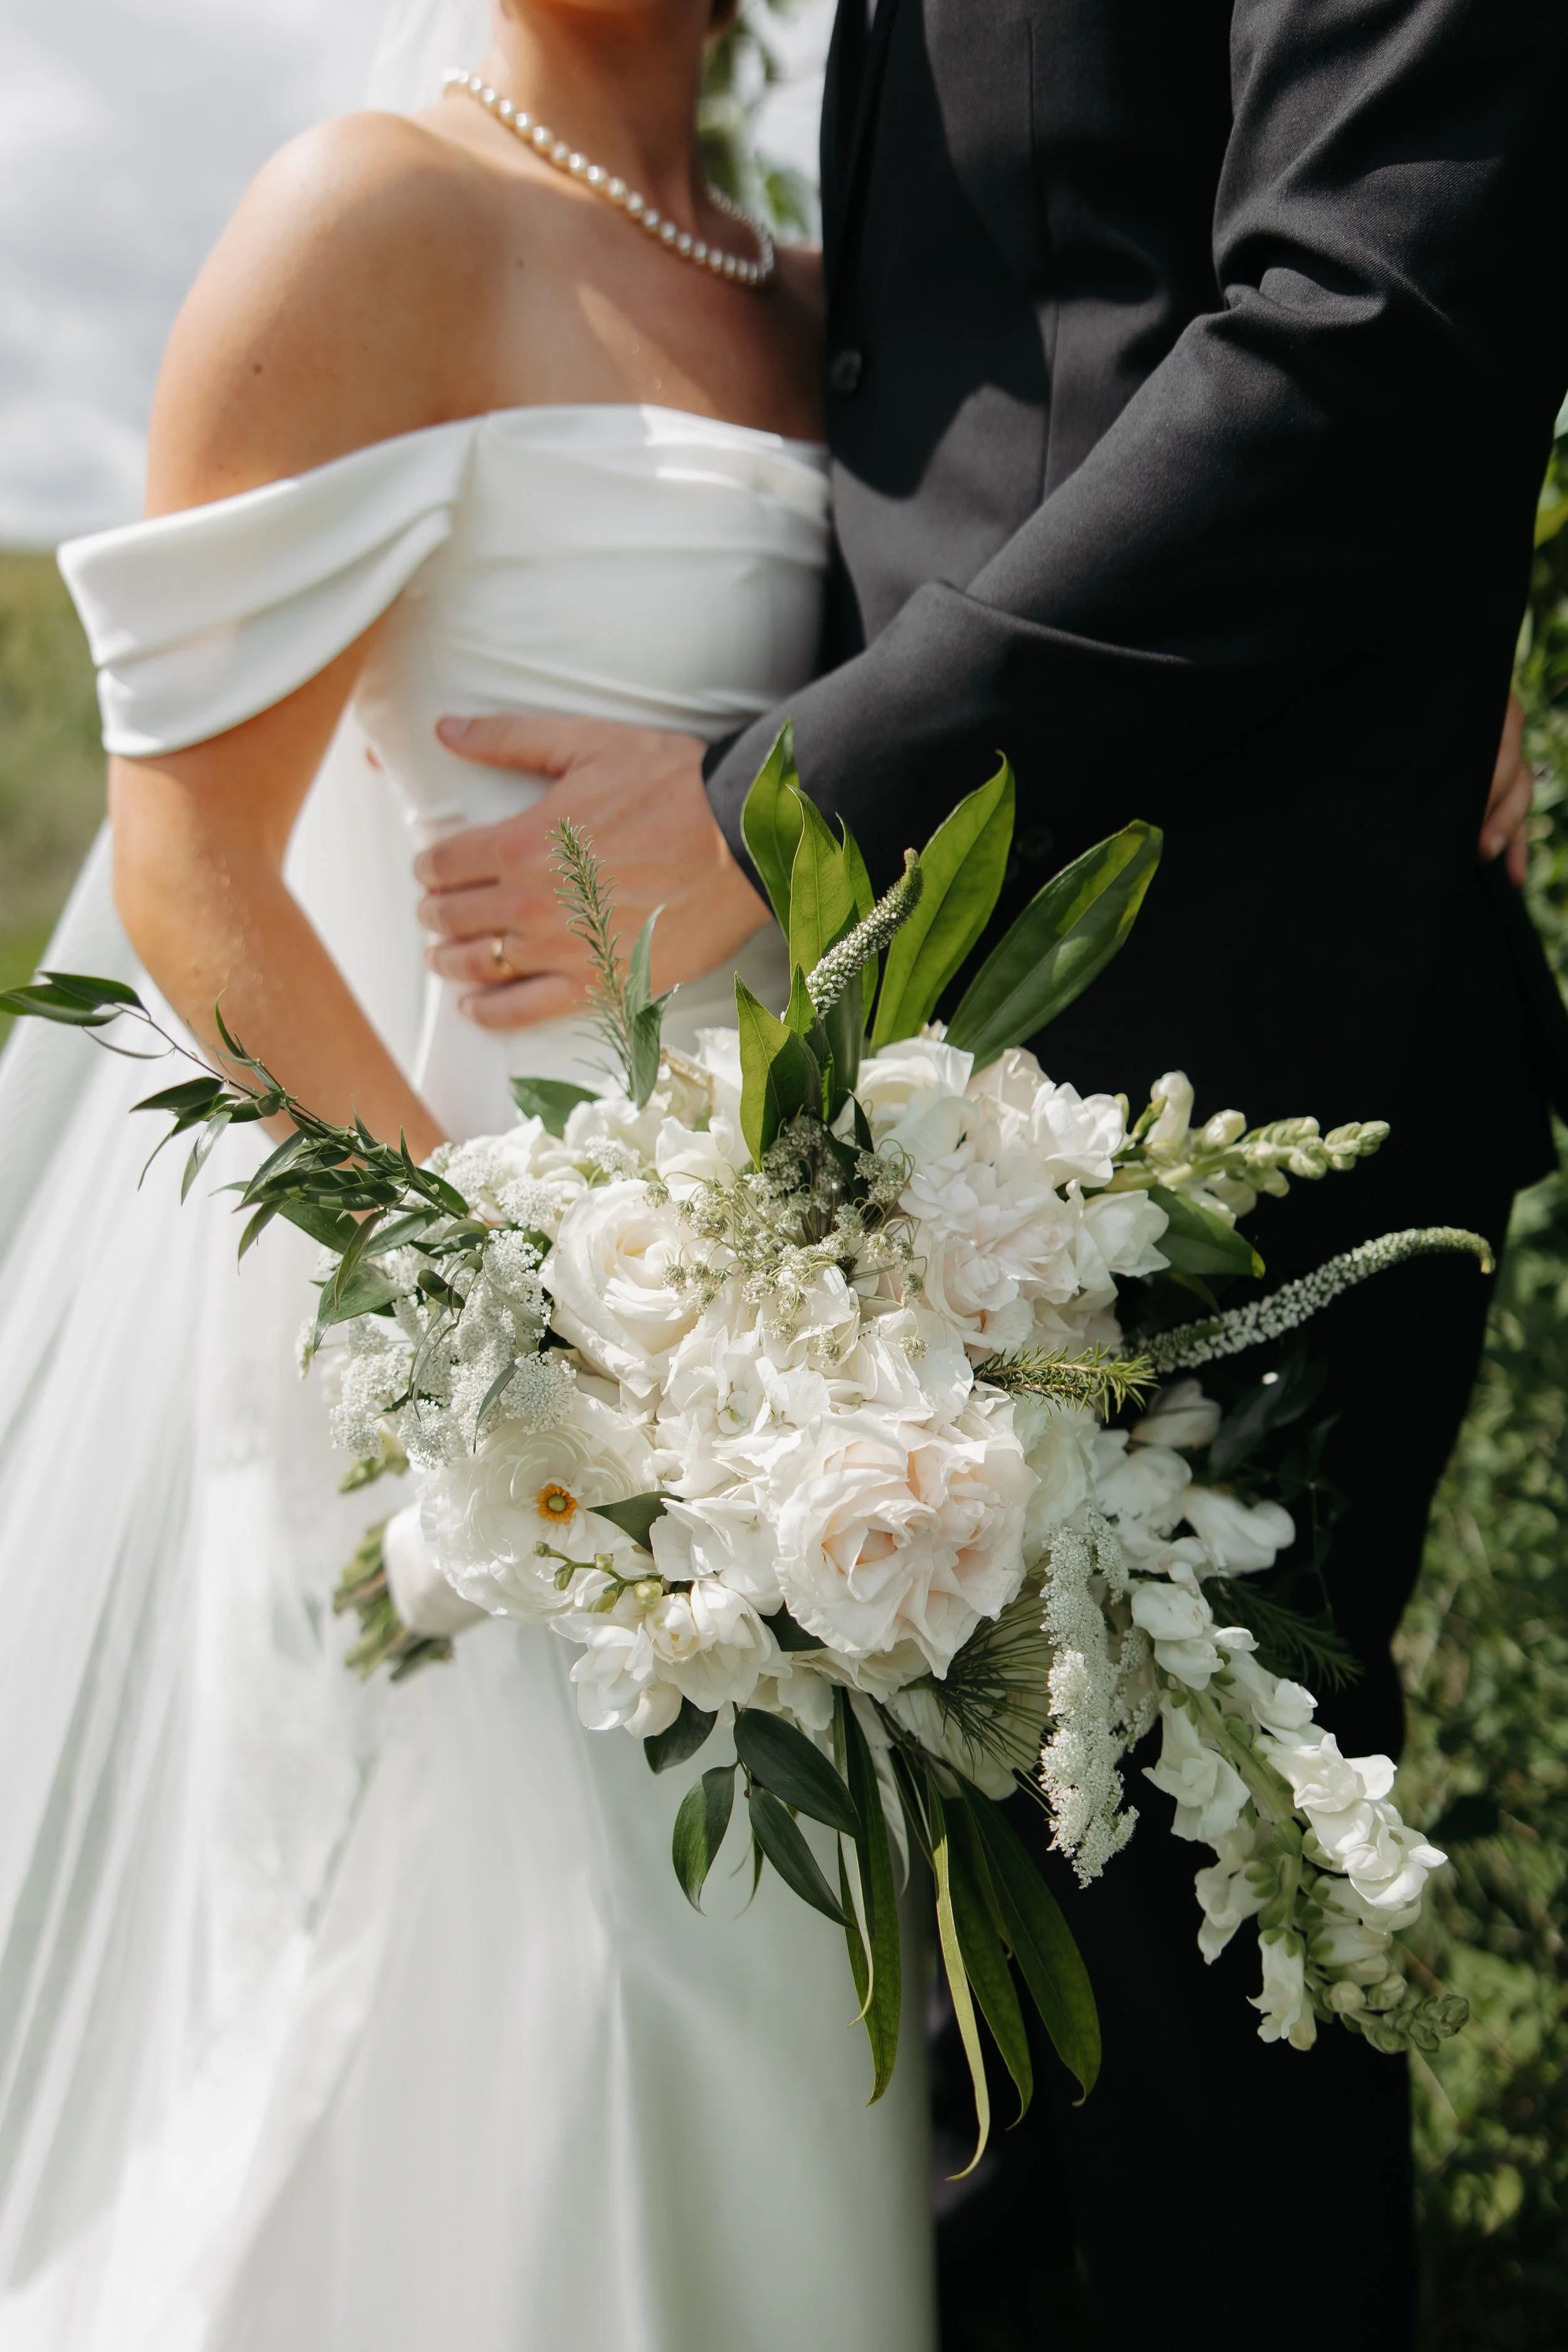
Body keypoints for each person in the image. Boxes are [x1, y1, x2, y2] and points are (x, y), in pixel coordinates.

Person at [416, 3, 1568, 2346]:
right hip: (937, 1093)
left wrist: (780, 803)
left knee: (1198, 2079)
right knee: (1010, 2087)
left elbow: (1369, 307)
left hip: (1216, 1060)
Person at [0, 4, 936, 2346]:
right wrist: (518, 1347)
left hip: (796, 1350)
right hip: (483, 1341)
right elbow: (192, 870)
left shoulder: (829, 297)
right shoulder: (366, 215)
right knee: (559, 2011)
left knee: (782, 2027)